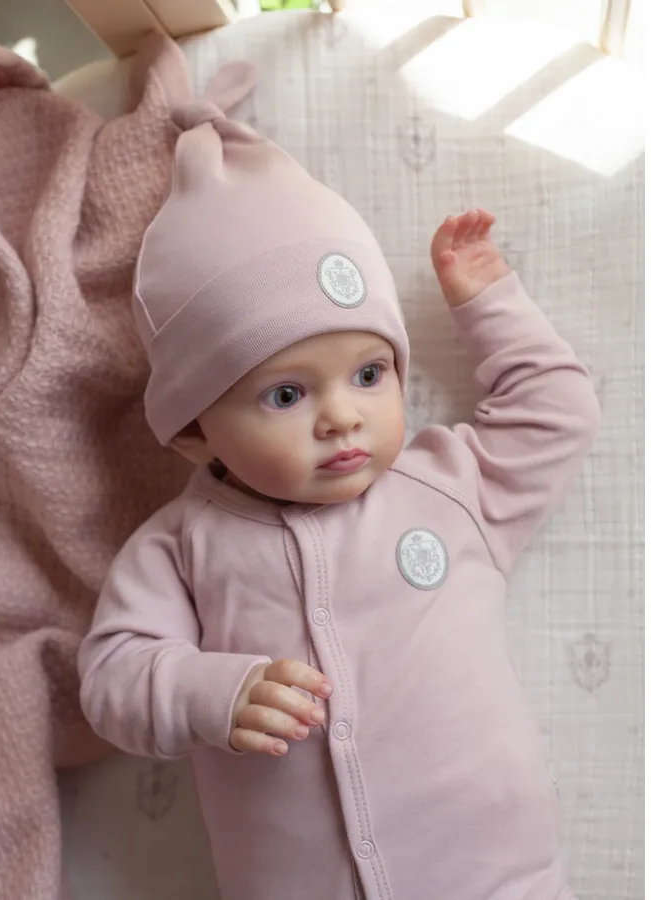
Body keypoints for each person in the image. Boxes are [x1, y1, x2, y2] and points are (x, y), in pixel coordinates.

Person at [78, 61, 599, 900]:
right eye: (286, 395)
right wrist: (214, 690)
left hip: (499, 877)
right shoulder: (181, 548)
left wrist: (489, 303)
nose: (343, 418)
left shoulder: (447, 487)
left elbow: (557, 411)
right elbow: (113, 676)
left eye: (368, 374)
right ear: (193, 430)